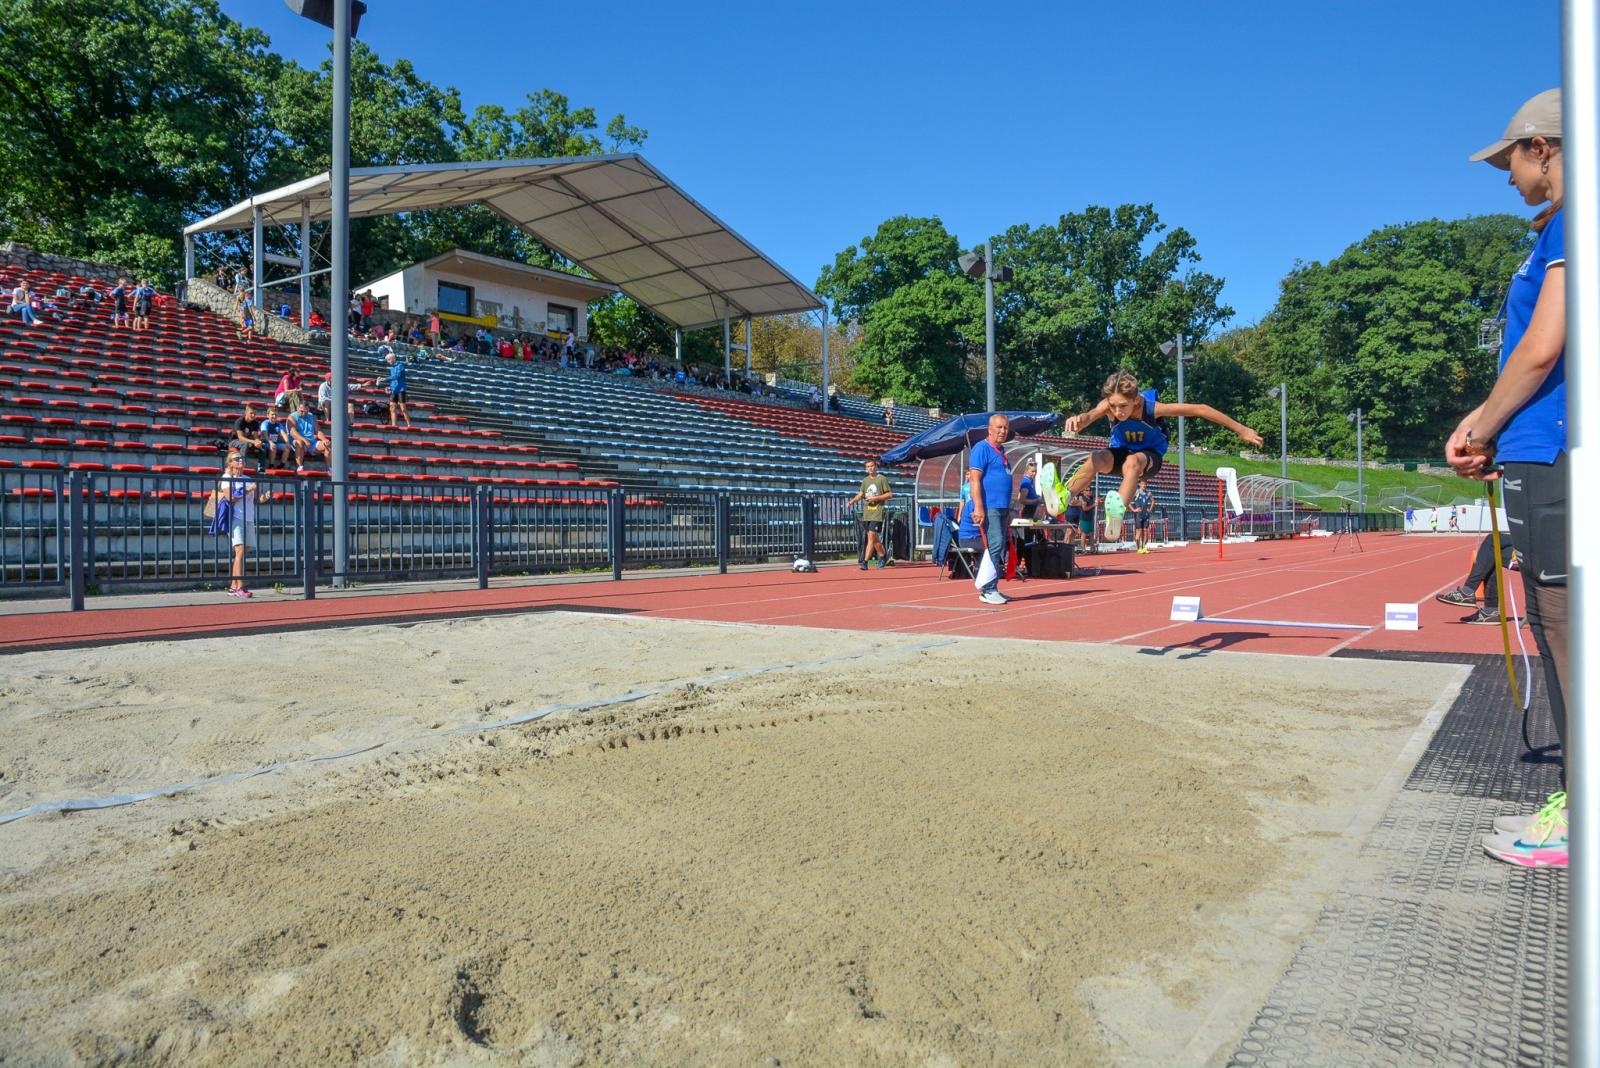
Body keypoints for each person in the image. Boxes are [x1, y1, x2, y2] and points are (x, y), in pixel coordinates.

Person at [1444, 88, 1569, 868]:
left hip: (1552, 447)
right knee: (1555, 620)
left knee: (1561, 623)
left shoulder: (1570, 222)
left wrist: (1481, 423)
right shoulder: (1555, 229)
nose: (1505, 176)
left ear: (1545, 148)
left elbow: (1542, 345)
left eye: (1511, 158)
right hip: (1542, 445)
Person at [1064, 370, 1263, 538]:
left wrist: (1240, 429)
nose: (1118, 412)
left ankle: (1116, 516)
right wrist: (1079, 419)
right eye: (1113, 406)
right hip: (1121, 451)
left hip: (1149, 457)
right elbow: (1089, 416)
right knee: (1096, 457)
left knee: (1132, 463)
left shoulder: (1153, 409)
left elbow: (1200, 409)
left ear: (1135, 400)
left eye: (1123, 406)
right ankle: (1064, 495)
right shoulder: (1108, 406)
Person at [965, 413, 1013, 604]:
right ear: (990, 429)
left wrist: (1009, 510)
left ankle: (992, 587)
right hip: (990, 506)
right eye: (999, 427)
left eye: (1006, 428)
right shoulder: (981, 449)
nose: (1003, 431)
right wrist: (978, 507)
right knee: (994, 544)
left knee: (998, 545)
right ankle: (988, 589)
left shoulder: (1001, 452)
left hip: (1002, 507)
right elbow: (974, 479)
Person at [1437, 532, 1518, 625]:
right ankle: (1489, 611)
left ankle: (1469, 593)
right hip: (1533, 546)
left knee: (1492, 543)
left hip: (1536, 555)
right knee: (1493, 546)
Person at [219, 452, 268, 598]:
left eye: (242, 458)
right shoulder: (227, 478)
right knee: (239, 550)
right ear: (230, 463)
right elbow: (230, 498)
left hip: (248, 518)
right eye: (237, 459)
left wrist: (266, 496)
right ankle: (240, 587)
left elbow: (258, 500)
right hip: (235, 517)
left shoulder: (247, 479)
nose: (241, 460)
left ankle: (233, 586)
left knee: (243, 551)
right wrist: (249, 489)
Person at [846, 459, 893, 569]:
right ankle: (883, 555)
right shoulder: (865, 480)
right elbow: (861, 493)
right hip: (867, 512)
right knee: (873, 538)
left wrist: (875, 498)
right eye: (868, 466)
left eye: (872, 466)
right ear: (866, 469)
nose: (870, 468)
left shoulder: (882, 479)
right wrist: (852, 501)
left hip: (877, 512)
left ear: (876, 466)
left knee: (871, 536)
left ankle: (865, 561)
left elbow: (890, 494)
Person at [288, 400, 332, 472]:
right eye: (301, 411)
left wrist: (324, 439)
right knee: (300, 443)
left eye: (304, 411)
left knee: (327, 444)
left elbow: (318, 431)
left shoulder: (311, 416)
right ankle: (299, 467)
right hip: (298, 441)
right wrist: (305, 440)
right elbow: (293, 432)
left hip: (311, 442)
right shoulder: (292, 417)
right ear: (297, 408)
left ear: (308, 410)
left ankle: (329, 468)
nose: (302, 413)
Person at [230, 403, 269, 471]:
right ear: (246, 412)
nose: (253, 415)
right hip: (234, 441)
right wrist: (254, 441)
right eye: (251, 413)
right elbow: (240, 438)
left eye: (254, 414)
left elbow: (256, 436)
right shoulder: (240, 421)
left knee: (262, 445)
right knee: (245, 444)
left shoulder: (255, 423)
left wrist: (258, 442)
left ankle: (261, 468)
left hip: (248, 441)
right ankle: (242, 465)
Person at [380, 349, 411, 429]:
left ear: (393, 359)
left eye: (388, 360)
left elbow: (397, 376)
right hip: (394, 390)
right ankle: (394, 425)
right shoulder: (392, 368)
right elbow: (393, 380)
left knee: (403, 408)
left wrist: (385, 379)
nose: (387, 361)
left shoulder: (400, 365)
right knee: (392, 407)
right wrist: (389, 387)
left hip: (401, 390)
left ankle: (409, 424)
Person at [1131, 477, 1154, 554]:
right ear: (1140, 485)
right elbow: (1128, 501)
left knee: (1146, 531)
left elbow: (1153, 501)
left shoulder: (1149, 493)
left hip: (1146, 514)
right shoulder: (1136, 492)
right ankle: (1138, 548)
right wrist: (1134, 509)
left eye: (1145, 484)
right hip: (1138, 515)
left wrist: (1150, 509)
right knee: (1139, 531)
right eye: (1143, 484)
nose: (1144, 485)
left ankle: (1144, 547)